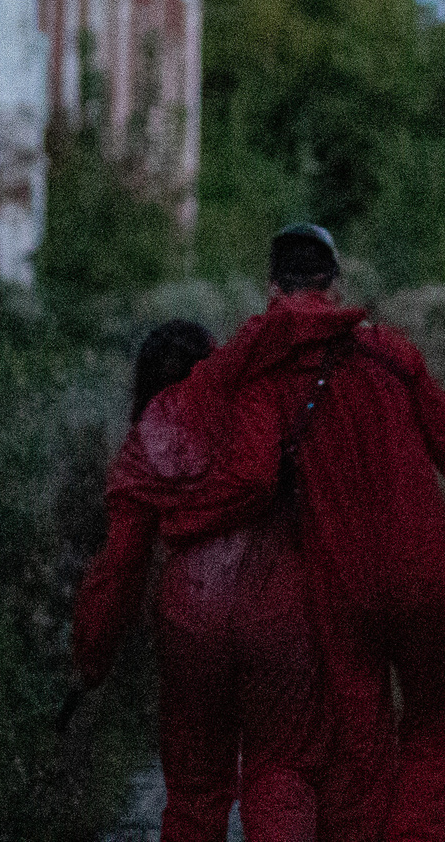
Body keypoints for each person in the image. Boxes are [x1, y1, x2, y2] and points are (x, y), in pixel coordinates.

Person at [167, 225, 445, 842]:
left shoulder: (262, 381)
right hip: (427, 576)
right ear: (335, 283)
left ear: (271, 287)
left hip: (339, 594)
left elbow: (242, 482)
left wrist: (176, 532)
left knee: (358, 752)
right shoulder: (390, 356)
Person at [72, 319, 331, 842]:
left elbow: (120, 566)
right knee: (280, 774)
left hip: (191, 620)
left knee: (194, 793)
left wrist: (91, 661)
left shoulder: (146, 441)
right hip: (277, 615)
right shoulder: (255, 410)